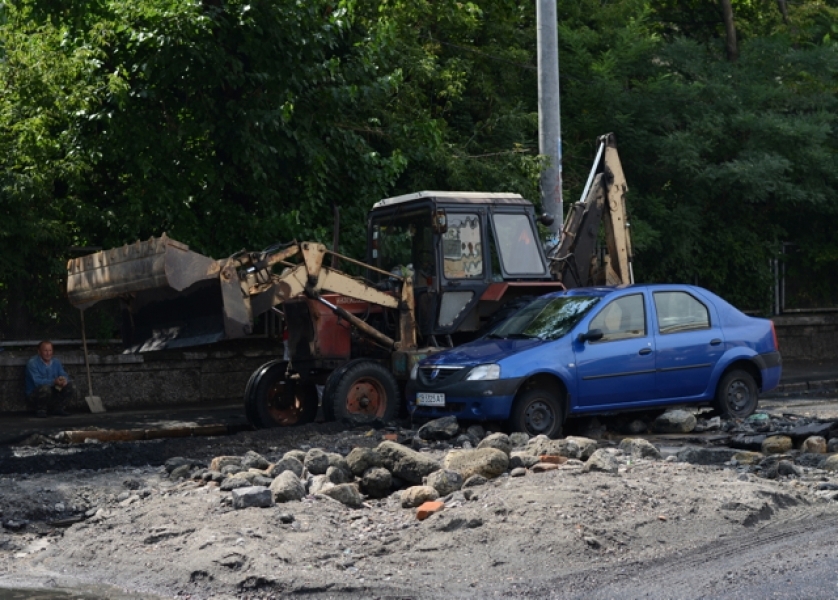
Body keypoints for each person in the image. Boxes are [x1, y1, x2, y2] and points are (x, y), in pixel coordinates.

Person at [25, 340, 76, 418]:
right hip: (36, 394)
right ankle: (41, 410)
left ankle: (58, 408)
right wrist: (54, 382)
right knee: (45, 388)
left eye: (50, 350)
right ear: (39, 351)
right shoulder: (32, 363)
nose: (48, 353)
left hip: (53, 390)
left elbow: (63, 373)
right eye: (45, 351)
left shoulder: (56, 362)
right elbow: (37, 382)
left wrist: (63, 380)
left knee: (70, 386)